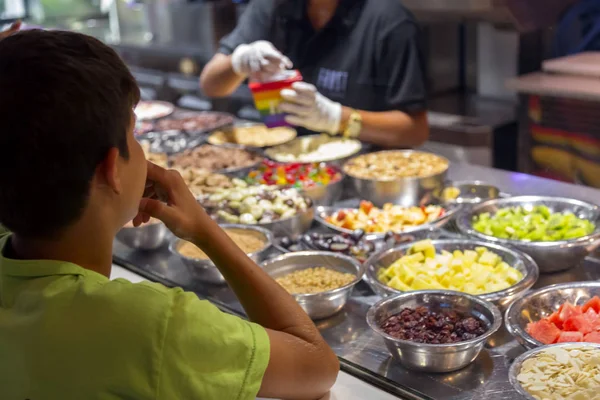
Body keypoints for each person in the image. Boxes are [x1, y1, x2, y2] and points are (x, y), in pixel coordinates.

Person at [0, 30, 339, 399]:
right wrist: (205, 231)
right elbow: (316, 367)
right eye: (134, 134)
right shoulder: (150, 327)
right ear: (111, 168)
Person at [200, 0, 429, 148]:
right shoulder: (272, 7)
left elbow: (414, 131)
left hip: (360, 173)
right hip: (279, 164)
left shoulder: (390, 21)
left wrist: (335, 117)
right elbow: (211, 85)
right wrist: (240, 61)